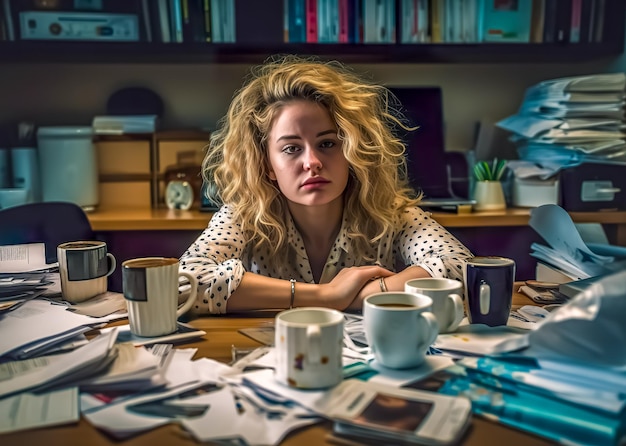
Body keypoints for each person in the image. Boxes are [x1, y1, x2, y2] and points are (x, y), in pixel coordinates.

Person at [179, 55, 473, 315]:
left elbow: (464, 269)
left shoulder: (392, 214)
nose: (312, 162)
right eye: (292, 148)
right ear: (267, 165)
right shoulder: (242, 216)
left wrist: (360, 297)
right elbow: (182, 283)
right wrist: (326, 295)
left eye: (328, 143)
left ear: (353, 151)